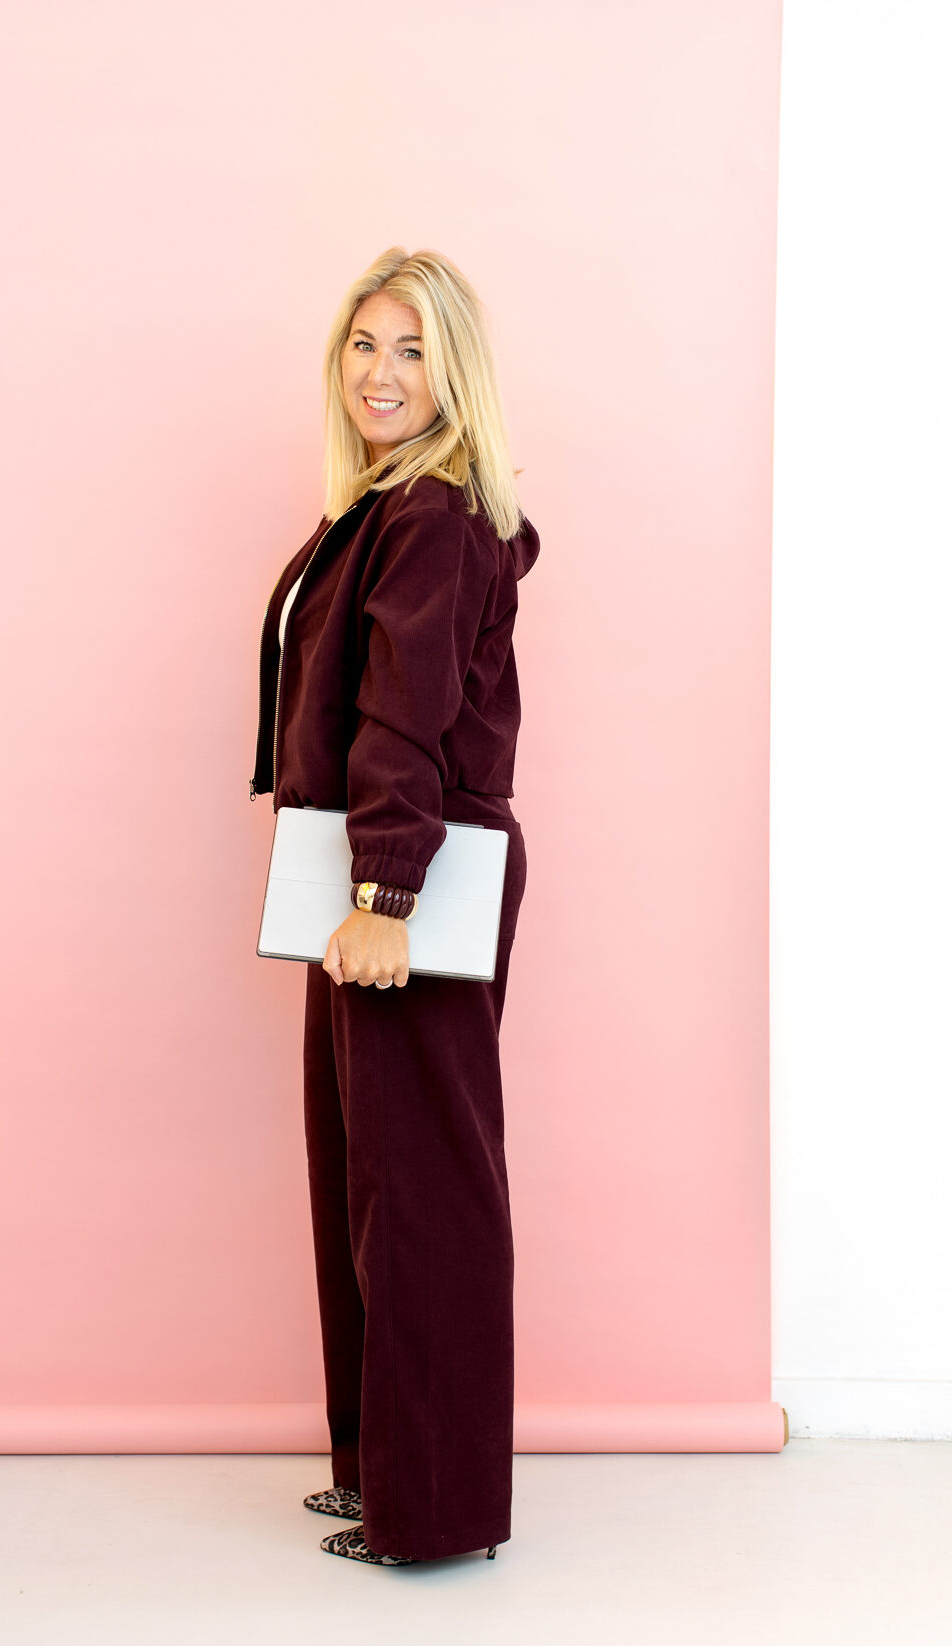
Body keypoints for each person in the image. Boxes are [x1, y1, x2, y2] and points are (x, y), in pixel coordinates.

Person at [249, 246, 539, 1566]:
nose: (381, 372)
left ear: (454, 371)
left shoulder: (429, 514)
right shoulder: (383, 503)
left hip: (403, 878)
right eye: (365, 344)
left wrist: (383, 893)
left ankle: (431, 1510)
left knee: (419, 1192)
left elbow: (403, 716)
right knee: (369, 1178)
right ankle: (384, 1472)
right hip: (370, 870)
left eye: (413, 349)